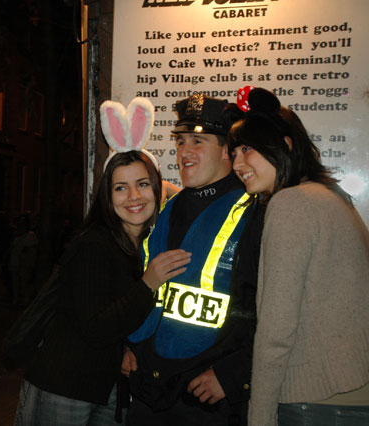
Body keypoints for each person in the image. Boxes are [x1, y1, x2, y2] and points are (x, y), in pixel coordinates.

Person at [13, 148, 192, 426]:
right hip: (64, 387)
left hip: (106, 387)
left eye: (143, 184)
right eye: (121, 188)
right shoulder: (95, 245)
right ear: (107, 197)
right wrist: (149, 283)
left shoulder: (140, 245)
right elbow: (96, 328)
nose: (133, 196)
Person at [228, 87, 369, 426]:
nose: (236, 163)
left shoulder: (291, 204)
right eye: (233, 152)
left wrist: (259, 416)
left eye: (247, 149)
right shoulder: (332, 197)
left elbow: (276, 329)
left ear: (285, 146)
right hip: (348, 390)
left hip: (316, 401)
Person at [124, 93, 263, 426]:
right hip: (147, 387)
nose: (184, 152)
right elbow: (131, 285)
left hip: (207, 398)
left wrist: (233, 375)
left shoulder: (256, 212)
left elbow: (274, 311)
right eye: (181, 141)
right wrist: (125, 344)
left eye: (197, 141)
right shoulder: (160, 207)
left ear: (227, 151)